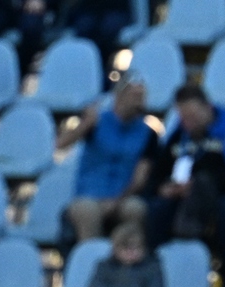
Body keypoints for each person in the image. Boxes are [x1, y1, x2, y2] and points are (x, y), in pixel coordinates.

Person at [149, 84, 225, 275]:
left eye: (192, 116)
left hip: (223, 196)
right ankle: (155, 270)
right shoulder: (179, 137)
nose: (188, 123)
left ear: (207, 107)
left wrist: (200, 185)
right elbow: (158, 174)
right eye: (184, 118)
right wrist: (164, 188)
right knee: (158, 208)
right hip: (183, 198)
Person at [62, 76, 156, 243]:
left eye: (141, 98)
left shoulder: (148, 134)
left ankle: (131, 256)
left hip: (123, 196)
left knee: (136, 209)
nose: (139, 103)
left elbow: (140, 178)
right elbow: (61, 144)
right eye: (135, 97)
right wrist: (85, 124)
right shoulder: (97, 122)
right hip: (89, 194)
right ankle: (90, 258)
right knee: (88, 211)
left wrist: (117, 201)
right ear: (119, 97)